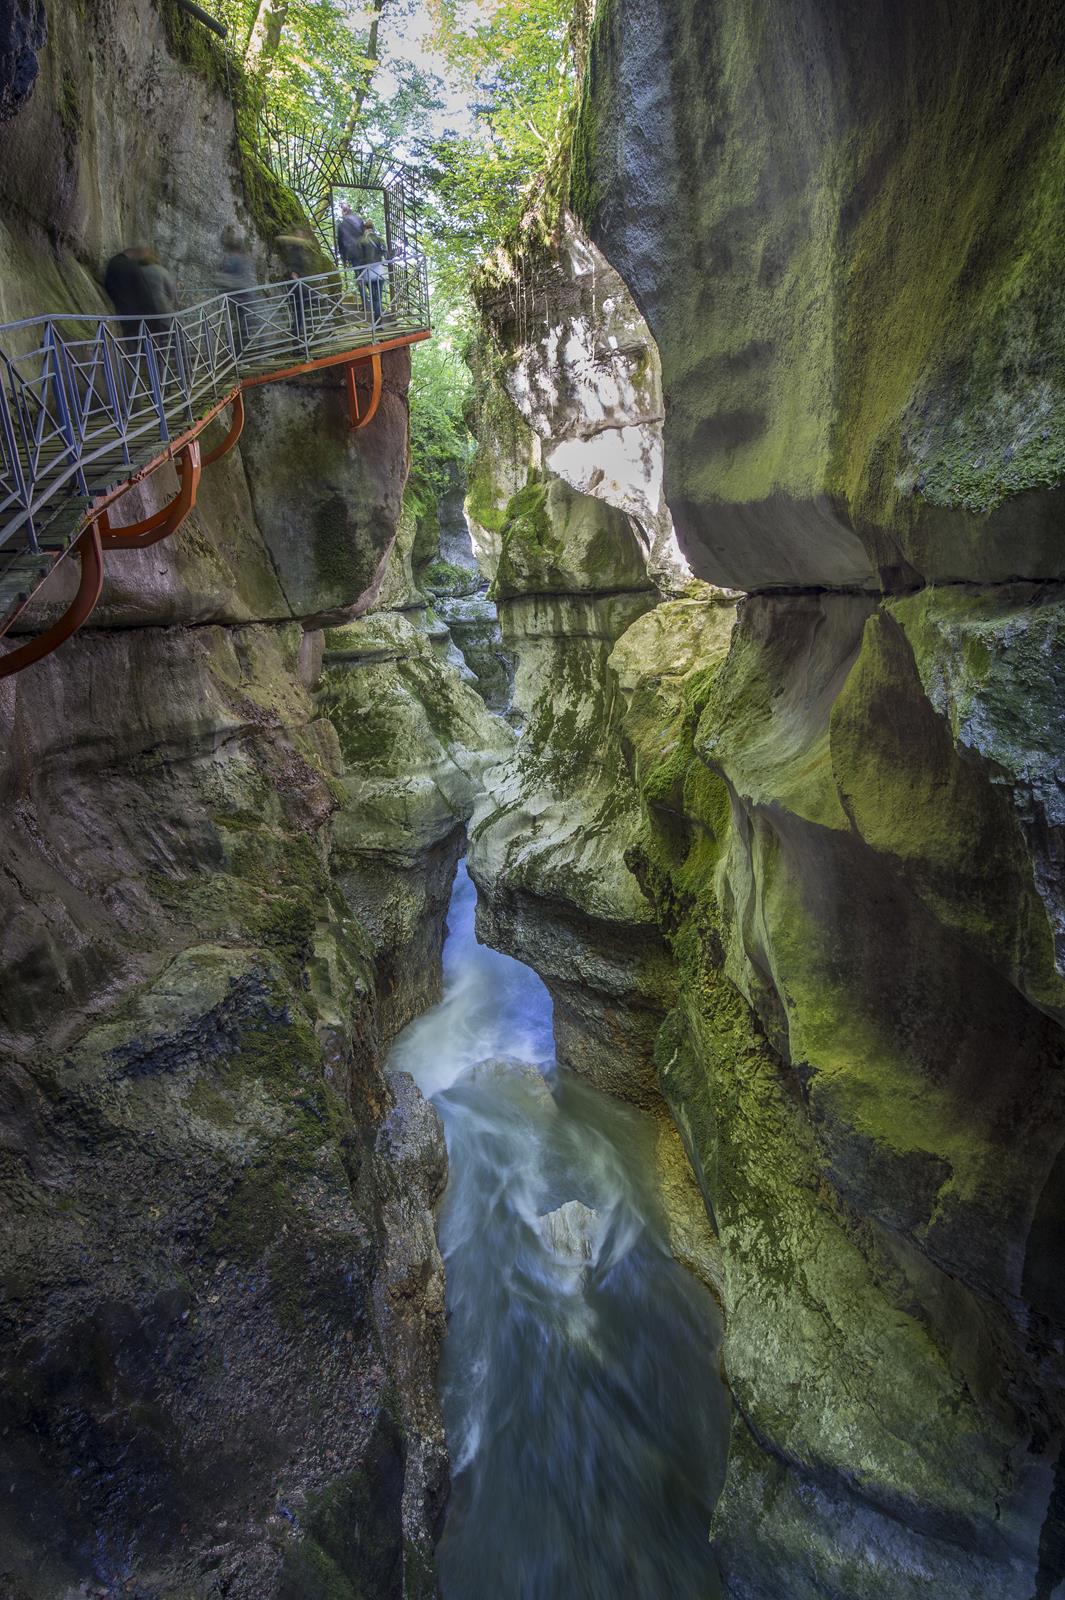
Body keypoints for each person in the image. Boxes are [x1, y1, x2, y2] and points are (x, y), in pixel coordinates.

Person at [213, 224, 255, 354]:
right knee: (244, 328)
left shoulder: (236, 259)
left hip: (242, 297)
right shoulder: (231, 260)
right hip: (239, 298)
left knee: (250, 326)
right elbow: (221, 279)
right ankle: (240, 358)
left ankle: (253, 356)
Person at [103, 245, 158, 338]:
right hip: (139, 316)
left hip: (123, 312)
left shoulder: (114, 262)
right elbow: (144, 294)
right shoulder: (133, 267)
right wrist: (155, 320)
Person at [275, 227, 317, 346]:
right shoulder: (295, 250)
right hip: (297, 286)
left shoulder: (299, 249)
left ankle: (299, 343)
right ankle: (297, 344)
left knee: (300, 315)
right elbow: (293, 268)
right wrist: (295, 277)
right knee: (299, 315)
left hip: (299, 284)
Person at [353, 221, 387, 324]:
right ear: (373, 228)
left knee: (373, 299)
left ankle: (377, 324)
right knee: (378, 299)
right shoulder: (380, 240)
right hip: (379, 272)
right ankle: (378, 323)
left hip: (367, 273)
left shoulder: (360, 241)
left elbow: (358, 260)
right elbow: (387, 256)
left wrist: (359, 276)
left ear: (364, 229)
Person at [336, 203, 365, 269]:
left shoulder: (341, 225)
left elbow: (340, 242)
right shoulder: (359, 220)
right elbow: (364, 233)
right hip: (362, 249)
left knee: (359, 272)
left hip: (352, 252)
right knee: (366, 271)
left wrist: (343, 258)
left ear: (343, 212)